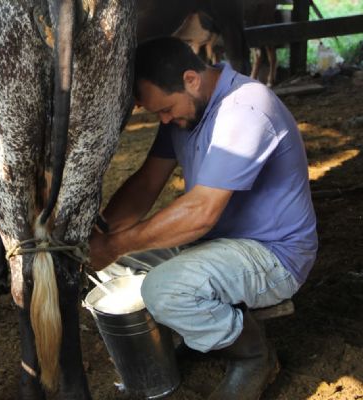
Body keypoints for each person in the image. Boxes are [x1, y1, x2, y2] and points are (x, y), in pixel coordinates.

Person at [89, 37, 317, 400]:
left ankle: (254, 357)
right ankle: (197, 330)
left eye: (164, 109)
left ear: (191, 79)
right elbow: (147, 183)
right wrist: (98, 236)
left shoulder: (246, 107)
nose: (164, 119)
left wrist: (116, 243)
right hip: (220, 245)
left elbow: (201, 212)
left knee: (161, 289)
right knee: (114, 268)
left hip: (274, 255)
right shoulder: (186, 110)